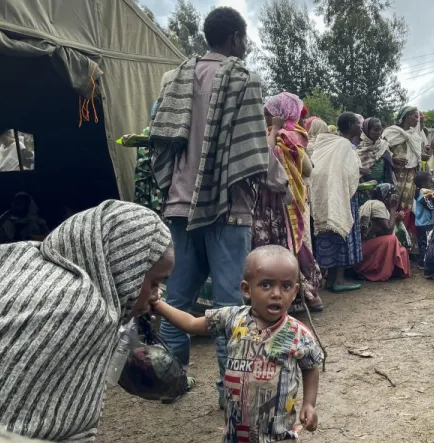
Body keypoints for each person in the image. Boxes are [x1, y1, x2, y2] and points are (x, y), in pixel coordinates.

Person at [0, 200, 173, 440]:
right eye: (153, 283)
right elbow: (52, 425)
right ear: (127, 267)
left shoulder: (26, 254)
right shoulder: (84, 309)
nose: (156, 295)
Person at [149, 7, 270, 406]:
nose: (246, 45)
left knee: (176, 300)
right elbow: (254, 153)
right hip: (227, 209)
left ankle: (171, 381)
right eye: (245, 37)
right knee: (230, 307)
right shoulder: (245, 79)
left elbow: (161, 139)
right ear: (235, 38)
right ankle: (228, 392)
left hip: (179, 206)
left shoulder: (176, 77)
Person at [151, 245, 323, 442]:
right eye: (266, 285)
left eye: (285, 286)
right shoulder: (232, 318)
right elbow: (191, 323)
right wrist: (158, 305)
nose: (276, 294)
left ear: (295, 292)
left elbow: (310, 368)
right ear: (246, 289)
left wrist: (309, 404)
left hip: (278, 435)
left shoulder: (298, 333)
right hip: (235, 433)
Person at [256, 92, 323, 311]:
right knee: (289, 244)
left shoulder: (285, 135)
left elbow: (267, 160)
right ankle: (302, 295)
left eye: (269, 113)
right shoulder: (292, 133)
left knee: (285, 245)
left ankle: (305, 294)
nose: (265, 116)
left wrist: (275, 130)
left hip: (280, 202)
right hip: (281, 201)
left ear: (279, 114)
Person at [310, 112, 363, 292]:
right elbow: (349, 172)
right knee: (342, 233)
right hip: (342, 195)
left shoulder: (331, 142)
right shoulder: (344, 144)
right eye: (358, 123)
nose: (361, 126)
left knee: (329, 237)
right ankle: (338, 280)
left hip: (326, 194)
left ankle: (331, 279)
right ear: (350, 126)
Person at [355, 183, 411, 281]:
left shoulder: (380, 206)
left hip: (367, 245)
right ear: (386, 197)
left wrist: (395, 219)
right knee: (392, 239)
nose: (396, 199)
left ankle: (390, 271)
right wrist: (393, 208)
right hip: (362, 247)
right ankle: (376, 272)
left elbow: (382, 232)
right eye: (394, 197)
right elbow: (388, 230)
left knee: (401, 250)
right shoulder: (377, 205)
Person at [383, 106, 427, 224]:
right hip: (395, 175)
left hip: (411, 175)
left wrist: (427, 152)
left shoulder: (414, 136)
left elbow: (419, 156)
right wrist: (393, 158)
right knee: (393, 202)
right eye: (415, 117)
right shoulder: (391, 132)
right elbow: (382, 150)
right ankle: (394, 231)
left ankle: (407, 237)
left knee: (408, 205)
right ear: (408, 116)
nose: (417, 120)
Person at [357, 117, 395, 185]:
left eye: (380, 129)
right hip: (364, 188)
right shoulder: (359, 148)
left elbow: (389, 170)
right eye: (375, 130)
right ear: (366, 130)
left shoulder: (383, 146)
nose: (378, 133)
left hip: (383, 187)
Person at [413, 172, 434, 270]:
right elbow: (431, 207)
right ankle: (422, 263)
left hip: (420, 223)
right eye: (429, 182)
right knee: (425, 244)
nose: (431, 184)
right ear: (422, 184)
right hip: (425, 223)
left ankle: (422, 262)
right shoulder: (423, 196)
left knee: (422, 244)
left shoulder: (418, 194)